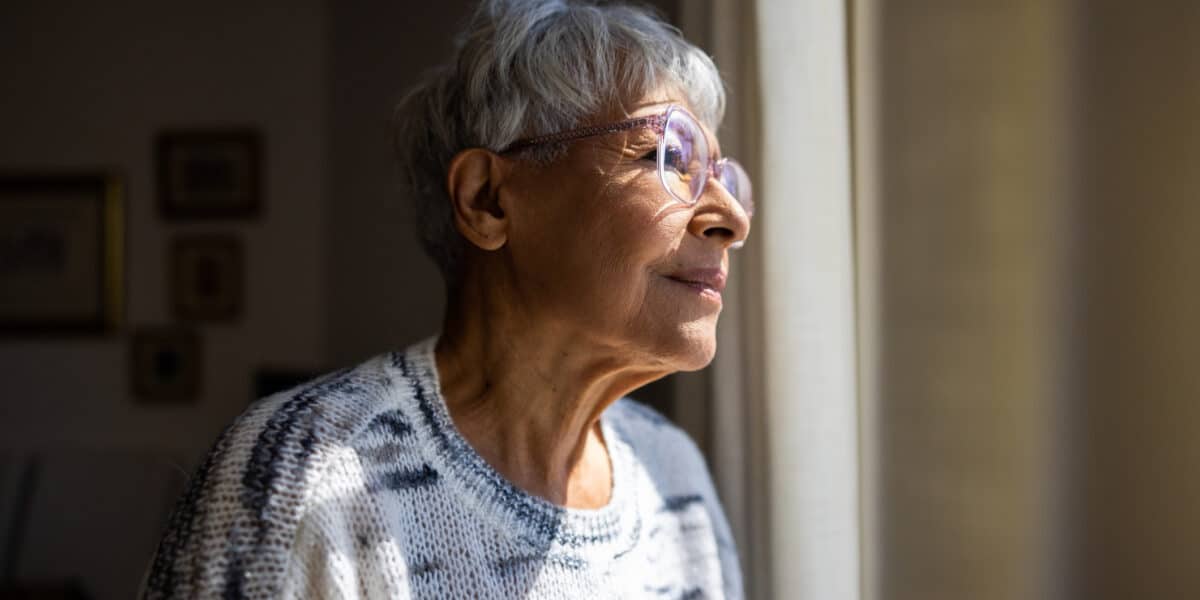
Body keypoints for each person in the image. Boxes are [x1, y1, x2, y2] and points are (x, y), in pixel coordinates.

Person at [142, 0, 752, 597]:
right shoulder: (303, 475)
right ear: (487, 199)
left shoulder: (673, 477)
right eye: (666, 157)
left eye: (723, 177)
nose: (732, 219)